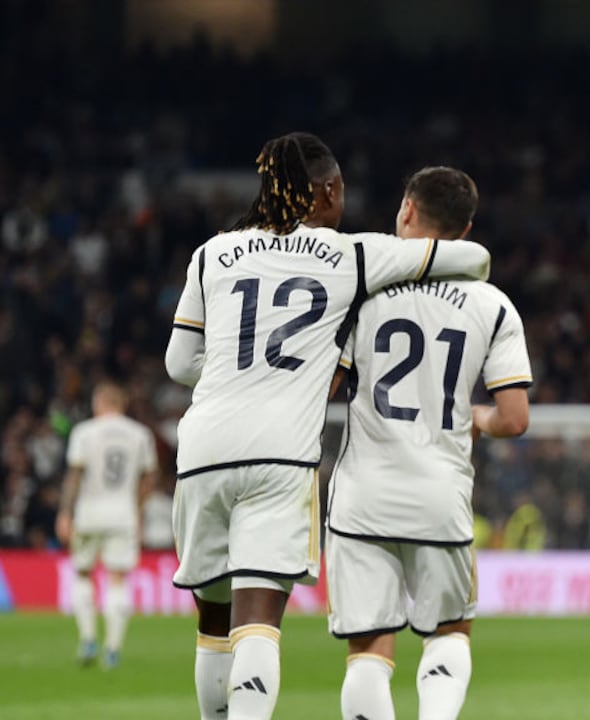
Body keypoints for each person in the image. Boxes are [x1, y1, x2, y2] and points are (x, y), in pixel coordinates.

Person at [164, 133, 493, 720]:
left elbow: (177, 363)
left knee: (214, 620)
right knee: (257, 622)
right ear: (330, 190)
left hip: (203, 448)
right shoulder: (352, 254)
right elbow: (472, 260)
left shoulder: (212, 252)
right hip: (280, 457)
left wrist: (235, 375)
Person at [325, 166, 532, 720]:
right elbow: (513, 419)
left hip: (362, 497)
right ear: (465, 232)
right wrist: (476, 419)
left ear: (407, 211)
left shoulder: (362, 296)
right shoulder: (492, 305)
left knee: (367, 649)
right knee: (448, 634)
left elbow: (327, 385)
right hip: (440, 494)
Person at [55, 380, 158, 670]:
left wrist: (65, 513)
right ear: (121, 404)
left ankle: (88, 638)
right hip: (122, 513)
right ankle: (112, 647)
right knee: (118, 578)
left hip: (88, 512)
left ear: (99, 403)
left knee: (83, 573)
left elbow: (74, 475)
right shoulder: (140, 434)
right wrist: (137, 510)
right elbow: (149, 478)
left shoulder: (84, 432)